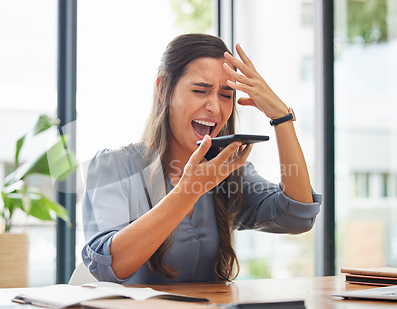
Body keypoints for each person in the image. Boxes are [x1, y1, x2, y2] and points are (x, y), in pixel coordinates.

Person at [81, 33, 322, 284]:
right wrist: (189, 190)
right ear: (164, 88)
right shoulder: (114, 167)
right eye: (200, 90)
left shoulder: (228, 172)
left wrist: (281, 117)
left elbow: (298, 216)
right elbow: (109, 265)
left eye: (226, 95)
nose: (215, 108)